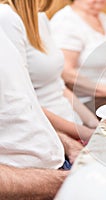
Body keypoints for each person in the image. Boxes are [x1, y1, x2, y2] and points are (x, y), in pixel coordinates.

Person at [0, 0, 98, 142]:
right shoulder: (6, 18)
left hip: (73, 124)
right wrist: (83, 133)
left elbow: (58, 85)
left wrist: (93, 123)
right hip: (48, 136)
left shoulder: (40, 16)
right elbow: (26, 102)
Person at [0, 25, 79, 199]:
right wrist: (64, 182)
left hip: (60, 167)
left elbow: (24, 108)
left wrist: (66, 143)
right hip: (38, 187)